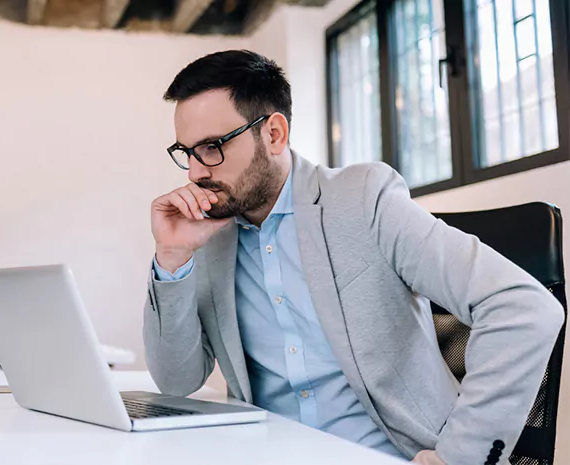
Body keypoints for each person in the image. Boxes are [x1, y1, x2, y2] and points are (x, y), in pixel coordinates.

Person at [142, 49, 564, 465]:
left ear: (274, 134)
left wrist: (460, 457)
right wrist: (173, 257)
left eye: (213, 147)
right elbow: (178, 381)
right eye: (187, 152)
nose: (196, 172)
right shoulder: (212, 235)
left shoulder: (364, 199)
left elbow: (524, 309)